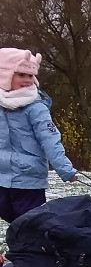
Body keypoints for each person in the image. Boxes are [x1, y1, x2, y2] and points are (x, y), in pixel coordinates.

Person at [0, 47, 78, 222]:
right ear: (5, 75)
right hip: (2, 177)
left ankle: (31, 248)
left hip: (29, 180)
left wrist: (66, 170)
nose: (28, 80)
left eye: (30, 76)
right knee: (10, 216)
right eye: (21, 75)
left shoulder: (36, 107)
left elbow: (50, 139)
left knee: (30, 223)